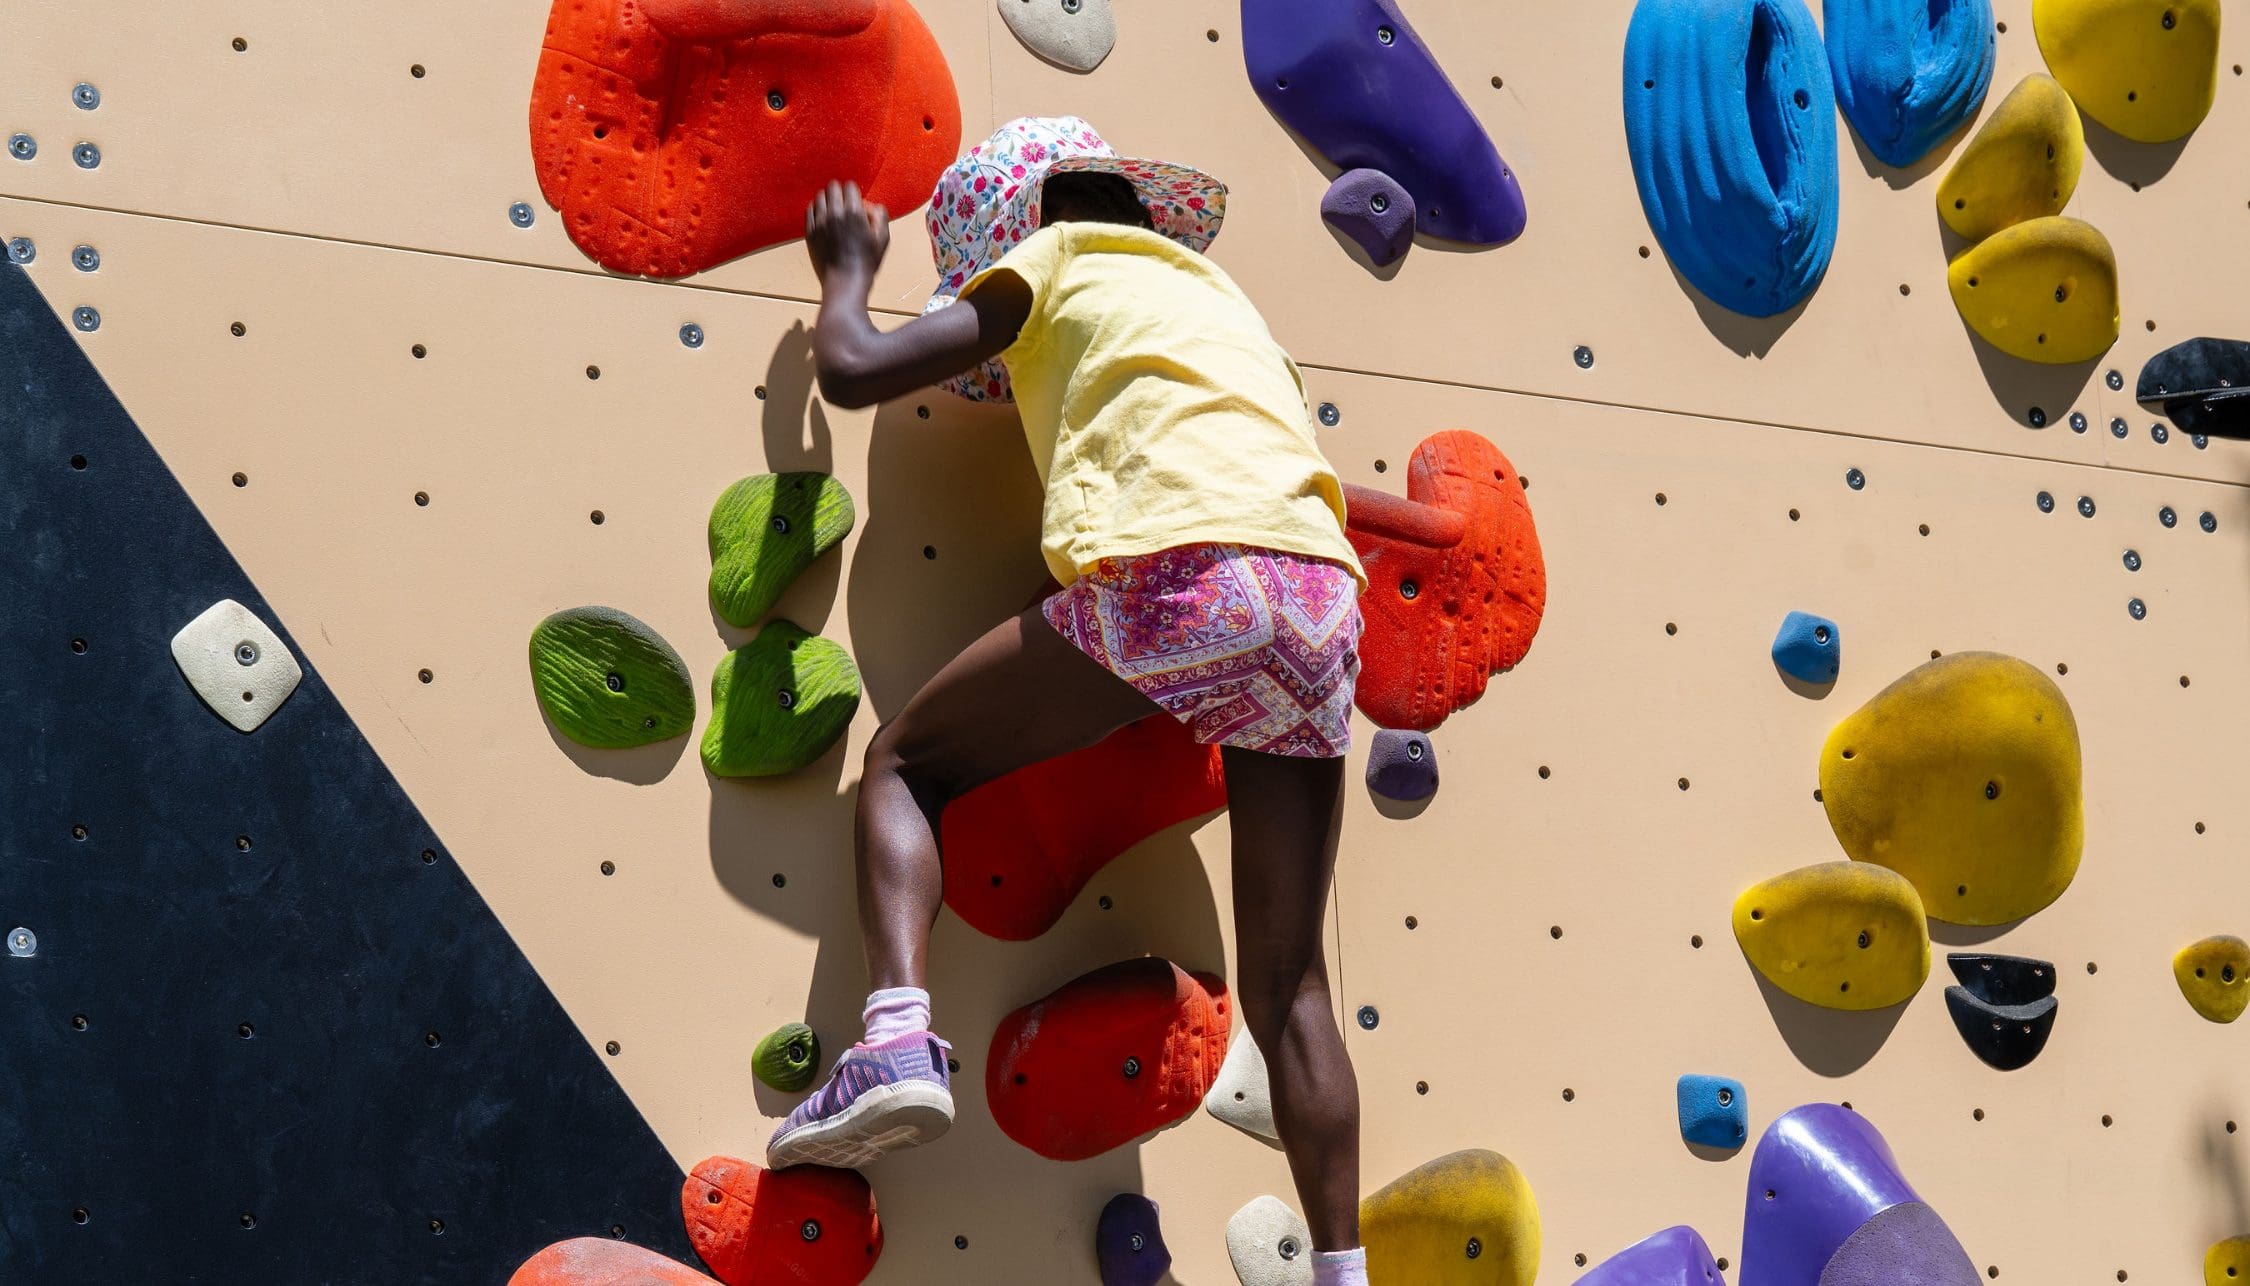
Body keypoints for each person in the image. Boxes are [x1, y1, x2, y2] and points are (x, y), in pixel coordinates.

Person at [767, 117, 1370, 1285]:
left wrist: (847, 269)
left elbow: (852, 370)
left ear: (1012, 229)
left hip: (1187, 575)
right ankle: (1342, 1269)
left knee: (906, 764)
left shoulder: (1054, 256)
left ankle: (894, 1038)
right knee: (1292, 982)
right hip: (1320, 601)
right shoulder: (1224, 308)